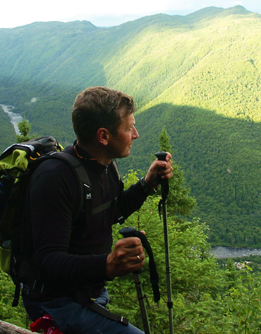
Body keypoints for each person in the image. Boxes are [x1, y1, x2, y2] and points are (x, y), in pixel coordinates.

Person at [22, 86, 173, 334]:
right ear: (103, 136)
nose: (136, 134)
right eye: (128, 128)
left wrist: (147, 185)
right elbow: (48, 262)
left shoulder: (104, 165)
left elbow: (110, 211)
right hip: (55, 303)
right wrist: (109, 265)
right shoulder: (55, 178)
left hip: (90, 294)